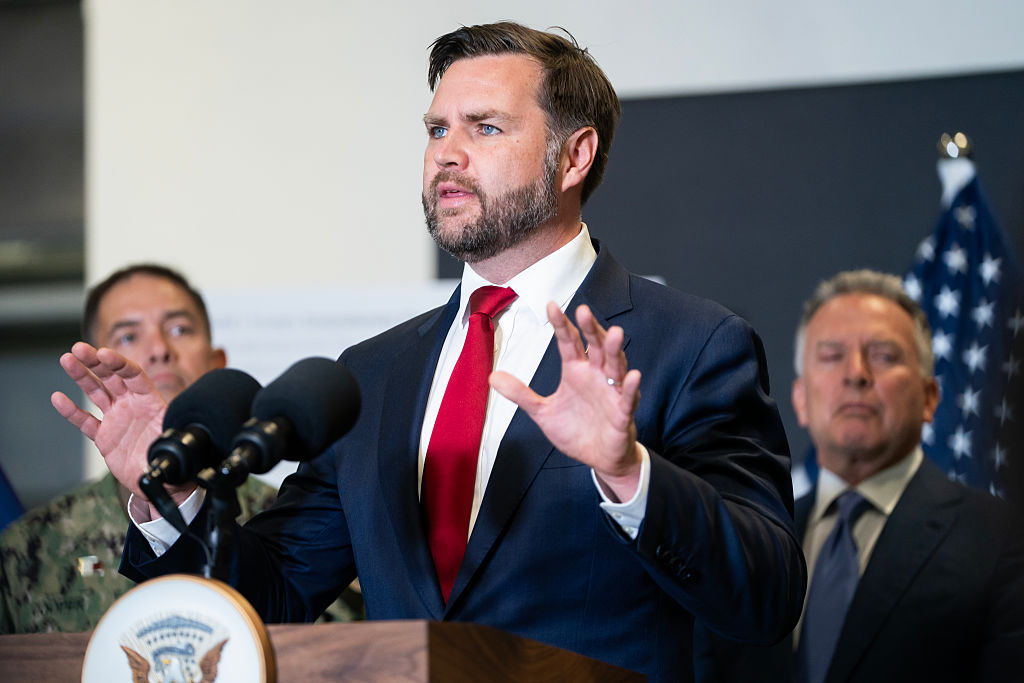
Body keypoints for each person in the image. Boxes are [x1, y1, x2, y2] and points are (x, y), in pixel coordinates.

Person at [54, 24, 803, 681]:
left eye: (485, 128)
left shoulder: (689, 344)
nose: (448, 154)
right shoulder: (370, 375)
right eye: (437, 129)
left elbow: (766, 597)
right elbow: (273, 597)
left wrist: (628, 473)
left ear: (574, 156)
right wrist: (171, 493)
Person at [695, 269, 1024, 682]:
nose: (856, 373)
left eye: (884, 355)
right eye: (832, 356)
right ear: (800, 400)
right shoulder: (748, 541)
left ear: (929, 398)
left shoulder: (1003, 538)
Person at [1, 264, 360, 633]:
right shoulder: (28, 547)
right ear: (92, 375)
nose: (160, 350)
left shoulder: (298, 518)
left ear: (218, 365)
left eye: (179, 329)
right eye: (128, 335)